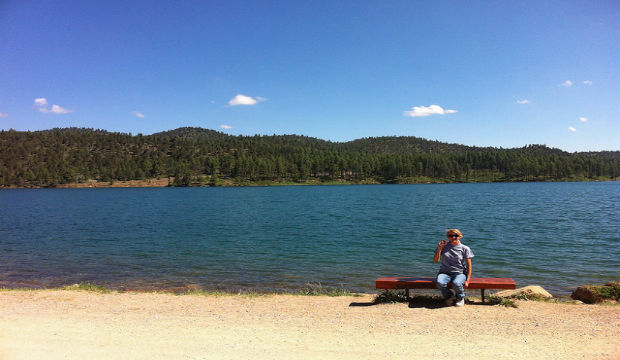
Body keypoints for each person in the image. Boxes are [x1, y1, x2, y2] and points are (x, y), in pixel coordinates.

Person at [433, 229, 474, 307]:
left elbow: (469, 265)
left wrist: (468, 280)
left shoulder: (465, 248)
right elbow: (435, 260)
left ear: (460, 236)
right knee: (440, 283)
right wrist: (439, 249)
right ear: (447, 237)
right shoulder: (443, 247)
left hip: (459, 273)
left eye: (456, 236)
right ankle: (450, 296)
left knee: (456, 283)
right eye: (450, 236)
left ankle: (461, 297)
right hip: (444, 272)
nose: (453, 237)